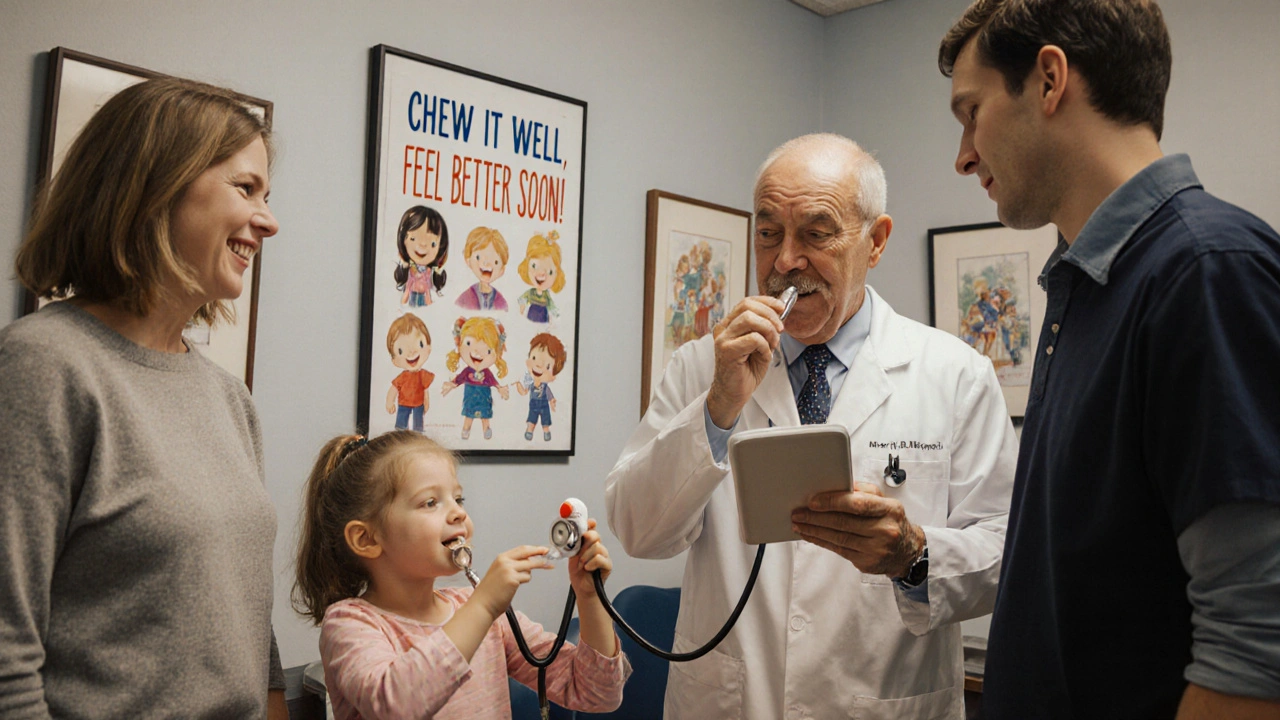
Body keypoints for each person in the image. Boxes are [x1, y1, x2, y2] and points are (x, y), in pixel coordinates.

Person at [938, 1, 1280, 717]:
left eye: (972, 112)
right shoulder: (1085, 285)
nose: (964, 154)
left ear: (1051, 80)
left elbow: (1257, 637)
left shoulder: (1205, 272)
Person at [605, 133, 1018, 719]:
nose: (784, 262)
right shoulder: (702, 365)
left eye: (816, 234)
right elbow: (637, 529)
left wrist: (913, 554)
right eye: (768, 232)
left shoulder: (955, 376)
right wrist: (716, 409)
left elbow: (1008, 551)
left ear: (875, 242)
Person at [0, 77, 286, 717]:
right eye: (245, 189)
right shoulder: (44, 367)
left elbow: (242, 617)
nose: (268, 220)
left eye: (268, 195)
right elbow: (5, 651)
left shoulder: (228, 398)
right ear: (156, 185)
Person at [292, 430, 629, 719]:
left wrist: (589, 597)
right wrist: (482, 607)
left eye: (458, 497)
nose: (458, 513)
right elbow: (396, 706)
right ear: (367, 539)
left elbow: (597, 694)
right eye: (429, 503)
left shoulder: (481, 613)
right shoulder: (349, 625)